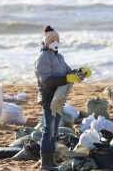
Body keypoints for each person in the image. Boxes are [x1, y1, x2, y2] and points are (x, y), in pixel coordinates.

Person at [34, 25, 92, 171]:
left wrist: (81, 72)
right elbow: (46, 80)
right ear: (46, 42)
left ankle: (52, 161)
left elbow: (68, 72)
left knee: (55, 129)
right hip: (48, 98)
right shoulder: (43, 58)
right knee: (48, 129)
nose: (56, 42)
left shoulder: (59, 57)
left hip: (58, 98)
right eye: (52, 40)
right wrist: (67, 78)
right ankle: (44, 164)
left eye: (57, 40)